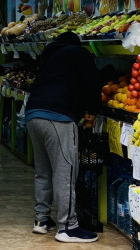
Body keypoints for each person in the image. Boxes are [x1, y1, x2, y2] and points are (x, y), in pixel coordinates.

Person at [25, 31, 110, 243]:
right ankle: (68, 227)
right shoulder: (78, 53)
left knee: (43, 171)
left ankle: (41, 220)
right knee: (66, 171)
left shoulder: (50, 58)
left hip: (33, 115)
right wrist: (92, 108)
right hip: (58, 118)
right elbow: (91, 84)